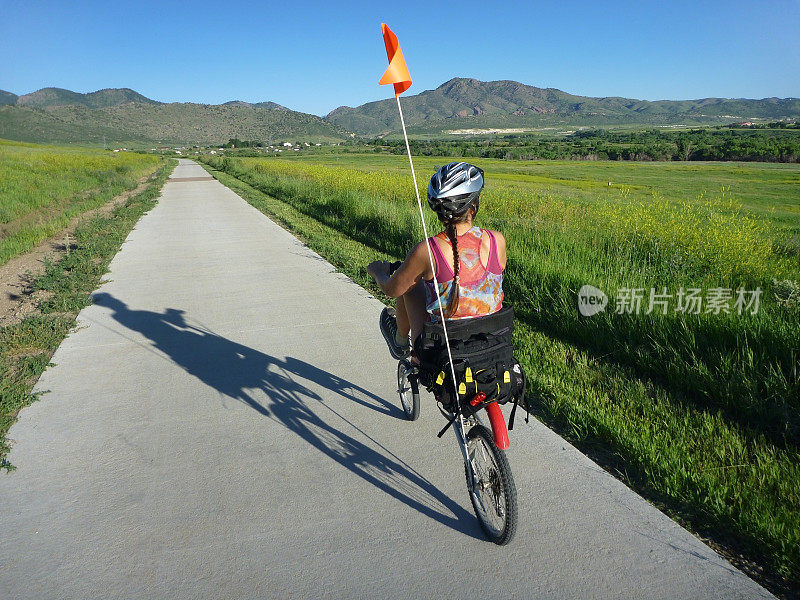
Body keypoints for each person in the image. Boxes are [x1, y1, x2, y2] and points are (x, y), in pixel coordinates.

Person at [367, 161, 507, 360]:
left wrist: (378, 272)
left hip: (441, 351)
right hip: (491, 345)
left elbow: (391, 290)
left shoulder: (428, 250)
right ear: (473, 206)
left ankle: (401, 342)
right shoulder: (496, 241)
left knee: (410, 285)